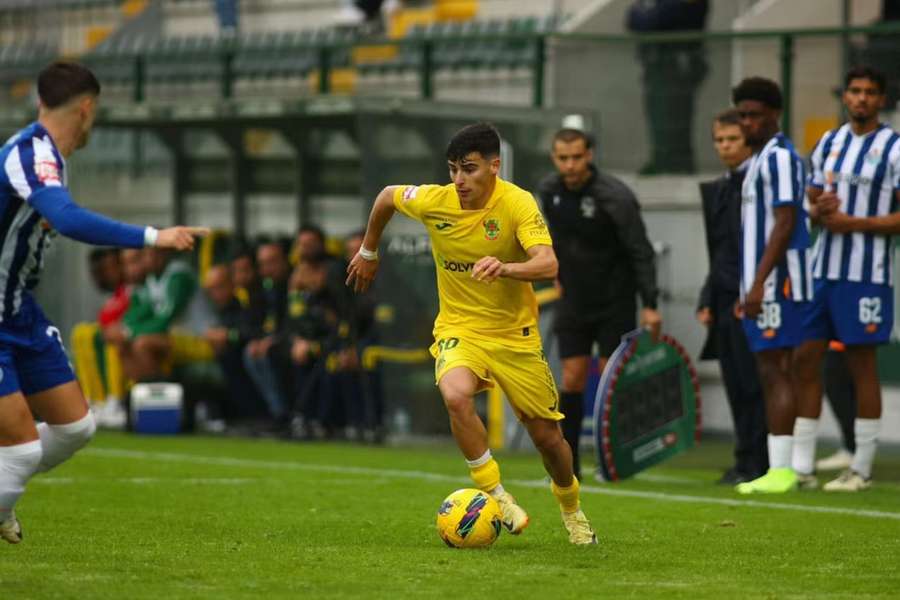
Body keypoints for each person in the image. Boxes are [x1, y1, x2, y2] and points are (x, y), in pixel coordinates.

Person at [346, 122, 597, 545]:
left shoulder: (518, 203)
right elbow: (387, 196)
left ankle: (573, 512)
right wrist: (369, 250)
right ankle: (496, 495)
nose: (459, 180)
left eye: (469, 169)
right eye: (453, 170)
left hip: (514, 335)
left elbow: (548, 264)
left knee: (549, 440)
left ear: (494, 167)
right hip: (460, 328)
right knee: (455, 394)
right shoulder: (436, 201)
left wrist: (506, 267)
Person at [0, 61, 206, 544]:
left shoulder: (47, 155)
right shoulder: (31, 154)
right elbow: (67, 219)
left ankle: (2, 495)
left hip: (18, 309)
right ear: (88, 108)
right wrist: (154, 235)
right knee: (23, 451)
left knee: (76, 428)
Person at [791, 66, 900, 492]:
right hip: (822, 270)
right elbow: (813, 200)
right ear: (845, 96)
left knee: (861, 366)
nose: (861, 99)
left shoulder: (893, 148)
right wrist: (817, 212)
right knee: (804, 357)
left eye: (870, 92)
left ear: (881, 99)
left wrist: (855, 222)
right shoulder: (830, 143)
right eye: (855, 91)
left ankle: (863, 468)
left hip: (866, 275)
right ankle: (799, 467)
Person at [536, 127, 661, 481]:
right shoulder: (548, 192)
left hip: (614, 300)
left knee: (610, 381)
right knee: (572, 378)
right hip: (573, 299)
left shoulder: (615, 196)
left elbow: (641, 250)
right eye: (563, 158)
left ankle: (615, 462)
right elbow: (552, 239)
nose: (571, 165)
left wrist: (650, 303)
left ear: (589, 155)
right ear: (554, 158)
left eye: (577, 157)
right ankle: (567, 466)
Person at [731, 77, 813, 495]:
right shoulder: (760, 159)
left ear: (774, 115)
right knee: (772, 370)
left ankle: (783, 470)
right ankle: (788, 466)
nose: (747, 122)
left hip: (779, 283)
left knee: (777, 369)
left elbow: (785, 222)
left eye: (755, 115)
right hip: (761, 283)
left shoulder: (780, 157)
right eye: (742, 115)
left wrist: (760, 282)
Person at [696, 109, 768, 484]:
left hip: (753, 297)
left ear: (748, 141)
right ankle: (745, 459)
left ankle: (761, 461)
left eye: (732, 140)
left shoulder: (760, 184)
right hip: (724, 296)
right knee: (736, 381)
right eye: (720, 140)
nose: (725, 146)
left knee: (756, 382)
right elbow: (719, 249)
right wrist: (707, 296)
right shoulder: (722, 186)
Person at [626, 0, 709, 174]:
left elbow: (650, 20)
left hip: (678, 65)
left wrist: (640, 9)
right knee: (658, 114)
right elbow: (633, 20)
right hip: (659, 66)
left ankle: (679, 163)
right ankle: (662, 160)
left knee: (677, 116)